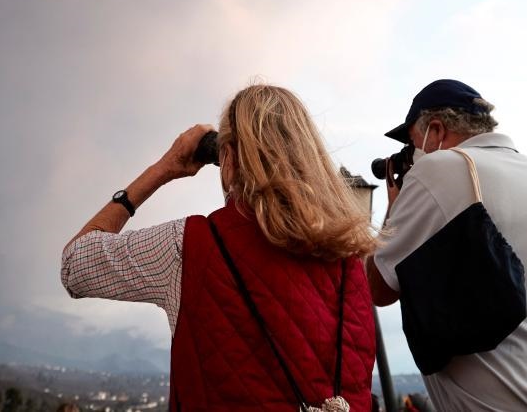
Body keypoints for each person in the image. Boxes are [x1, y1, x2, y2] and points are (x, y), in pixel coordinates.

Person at [61, 84, 379, 411]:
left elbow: (74, 266)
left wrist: (163, 168)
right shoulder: (350, 257)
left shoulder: (189, 247)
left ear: (227, 157)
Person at [367, 79, 527, 411]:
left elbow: (376, 286)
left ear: (436, 130)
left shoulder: (440, 168)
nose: (412, 157)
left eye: (413, 143)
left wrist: (394, 206)